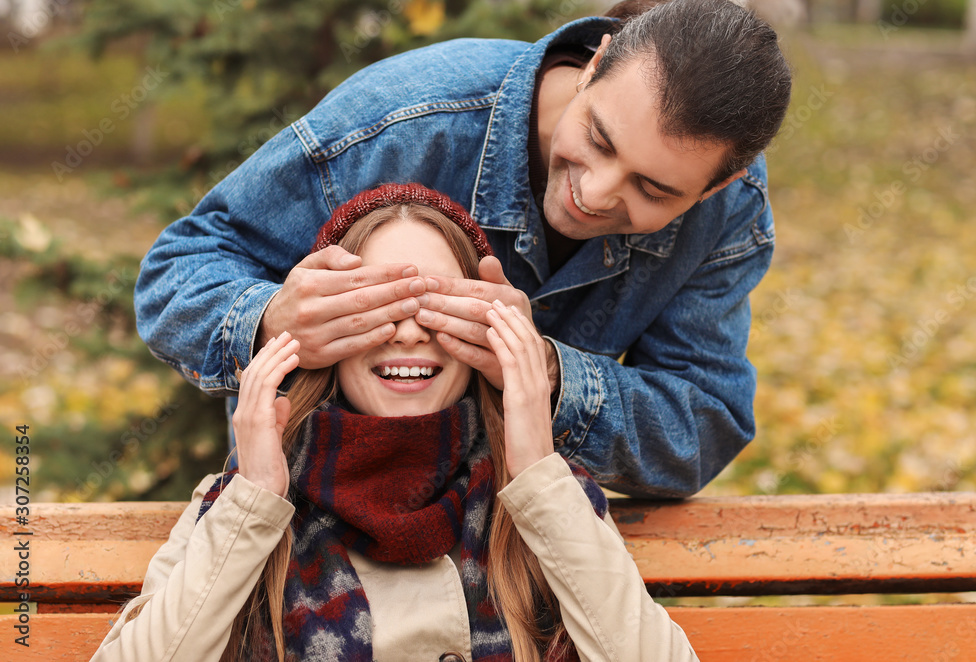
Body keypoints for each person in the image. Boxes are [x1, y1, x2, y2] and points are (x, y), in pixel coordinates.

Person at [134, 0, 792, 498]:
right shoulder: (402, 120)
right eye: (598, 139)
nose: (594, 193)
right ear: (597, 61)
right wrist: (272, 319)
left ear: (720, 186)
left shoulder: (731, 212)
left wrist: (547, 376)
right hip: (311, 535)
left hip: (518, 560)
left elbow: (700, 427)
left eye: (651, 188)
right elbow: (175, 274)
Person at [92, 184, 699, 661]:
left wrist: (540, 472)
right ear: (325, 333)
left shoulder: (546, 494)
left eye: (437, 309)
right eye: (375, 308)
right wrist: (253, 503)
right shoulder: (244, 498)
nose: (409, 331)